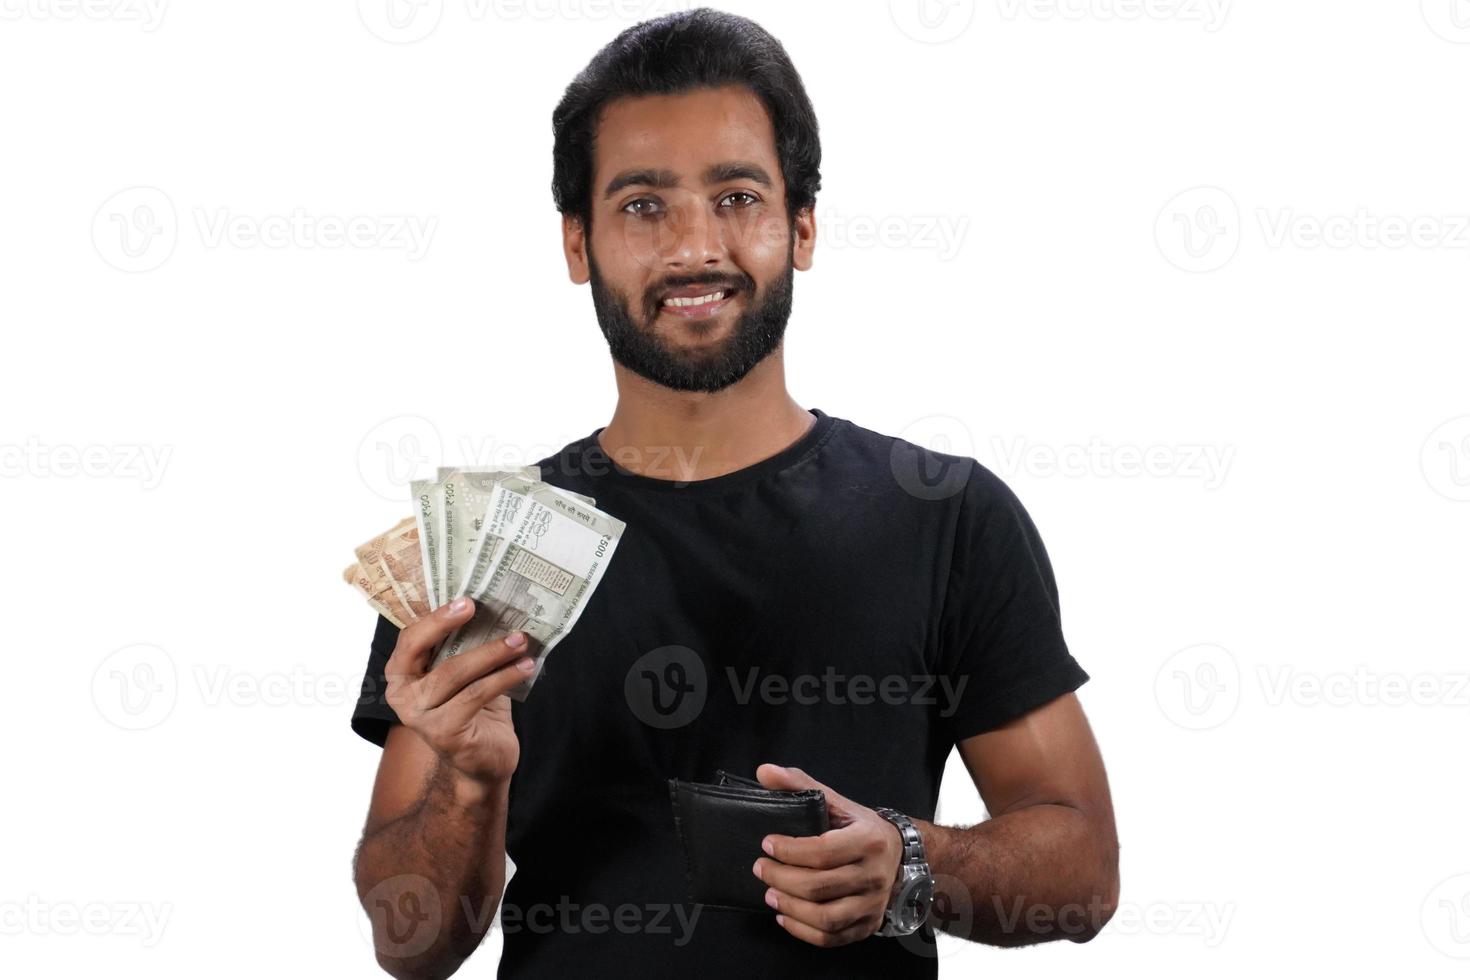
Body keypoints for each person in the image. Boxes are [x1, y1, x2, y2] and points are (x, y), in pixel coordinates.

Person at [350, 9, 1118, 978]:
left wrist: (913, 865)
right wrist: (468, 776)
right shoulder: (478, 555)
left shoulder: (949, 518)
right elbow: (408, 943)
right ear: (576, 242)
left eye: (737, 195)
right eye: (642, 205)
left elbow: (1085, 866)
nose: (694, 247)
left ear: (801, 224)